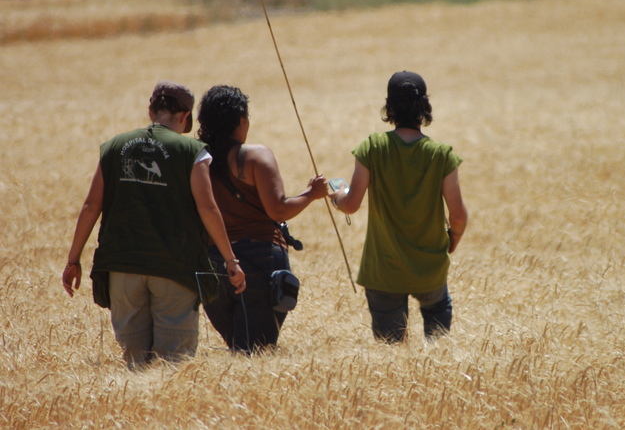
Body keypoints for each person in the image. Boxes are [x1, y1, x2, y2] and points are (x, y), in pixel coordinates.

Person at [62, 81, 246, 369]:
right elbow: (208, 208)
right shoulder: (192, 150)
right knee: (173, 364)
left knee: (135, 363)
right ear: (186, 117)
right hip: (174, 268)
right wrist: (230, 259)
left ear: (151, 111)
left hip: (122, 267)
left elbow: (90, 206)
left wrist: (73, 260)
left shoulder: (114, 147)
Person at [330, 71, 468, 343]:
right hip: (430, 269)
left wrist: (337, 196)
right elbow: (459, 216)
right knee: (439, 352)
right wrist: (452, 240)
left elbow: (352, 204)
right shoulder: (442, 154)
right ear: (424, 107)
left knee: (390, 357)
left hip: (384, 271)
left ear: (389, 106)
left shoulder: (372, 147)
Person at [196, 84, 328, 353]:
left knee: (239, 351)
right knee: (255, 354)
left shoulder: (197, 161)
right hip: (260, 259)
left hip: (212, 265)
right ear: (242, 120)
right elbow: (279, 210)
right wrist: (312, 193)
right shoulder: (254, 156)